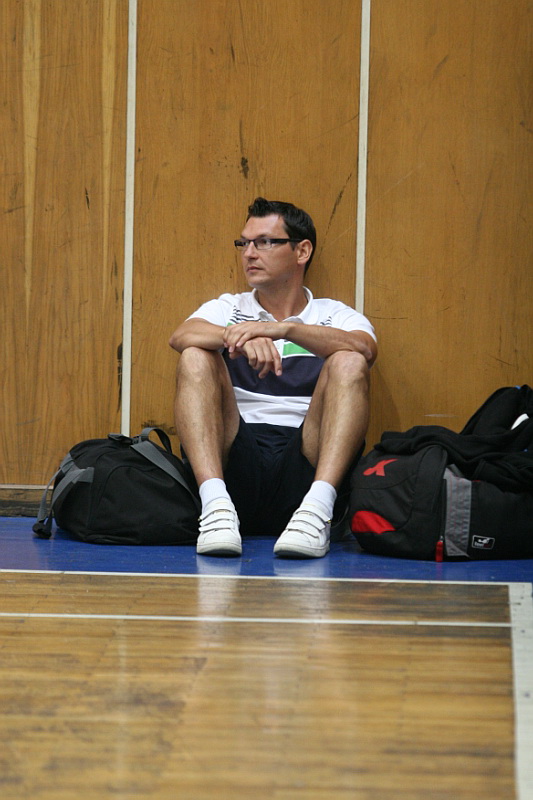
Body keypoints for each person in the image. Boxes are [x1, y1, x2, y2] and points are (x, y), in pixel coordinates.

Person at [169, 197, 377, 559]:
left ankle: (317, 512)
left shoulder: (334, 314)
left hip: (306, 457)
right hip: (236, 455)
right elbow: (181, 336)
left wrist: (284, 329)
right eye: (244, 243)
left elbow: (365, 349)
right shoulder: (229, 308)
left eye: (264, 242)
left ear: (302, 251)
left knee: (349, 361)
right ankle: (215, 508)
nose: (249, 253)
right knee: (194, 355)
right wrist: (238, 335)